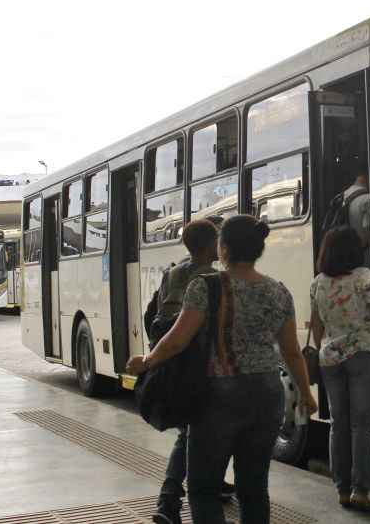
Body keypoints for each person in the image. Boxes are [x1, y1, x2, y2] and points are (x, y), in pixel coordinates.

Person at [127, 214, 317, 524]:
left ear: (223, 248)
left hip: (221, 394)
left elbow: (176, 340)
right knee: (254, 489)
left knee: (203, 488)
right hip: (268, 394)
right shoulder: (278, 290)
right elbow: (291, 352)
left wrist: (146, 362)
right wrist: (306, 394)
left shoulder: (205, 286)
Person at [148, 218, 234, 524]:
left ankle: (196, 489)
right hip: (204, 366)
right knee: (193, 433)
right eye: (217, 239)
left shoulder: (171, 273)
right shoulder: (216, 279)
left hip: (176, 365)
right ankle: (169, 499)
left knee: (195, 431)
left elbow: (156, 316)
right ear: (212, 245)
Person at [309, 226, 370, 512]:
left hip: (330, 358)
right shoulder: (365, 278)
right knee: (361, 426)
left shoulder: (317, 283)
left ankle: (341, 489)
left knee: (338, 423)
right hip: (362, 355)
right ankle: (360, 490)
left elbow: (318, 328)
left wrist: (333, 345)